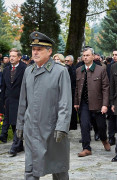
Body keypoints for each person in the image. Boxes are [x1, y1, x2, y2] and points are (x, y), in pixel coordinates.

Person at [16, 31, 72, 180]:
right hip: (31, 130)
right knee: (30, 169)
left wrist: (62, 127)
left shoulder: (60, 72)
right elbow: (23, 101)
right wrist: (20, 124)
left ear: (49, 51)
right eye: (33, 49)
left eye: (39, 49)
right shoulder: (29, 71)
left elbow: (65, 103)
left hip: (52, 131)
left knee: (59, 168)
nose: (35, 52)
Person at [74, 47, 110, 157]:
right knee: (84, 125)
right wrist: (76, 102)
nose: (85, 57)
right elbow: (77, 88)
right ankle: (86, 148)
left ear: (93, 57)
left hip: (98, 103)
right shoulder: (79, 70)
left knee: (101, 126)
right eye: (84, 55)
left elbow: (105, 88)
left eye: (87, 55)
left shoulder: (101, 69)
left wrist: (105, 104)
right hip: (84, 103)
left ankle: (104, 139)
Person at [0, 48, 26, 156]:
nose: (11, 58)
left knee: (18, 123)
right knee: (13, 124)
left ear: (19, 57)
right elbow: (4, 87)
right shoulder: (6, 69)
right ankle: (19, 146)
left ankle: (14, 147)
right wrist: (2, 102)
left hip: (20, 100)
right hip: (9, 100)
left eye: (14, 56)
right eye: (10, 56)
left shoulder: (25, 69)